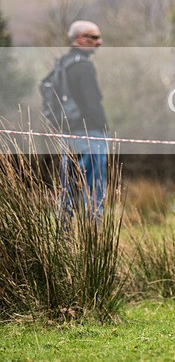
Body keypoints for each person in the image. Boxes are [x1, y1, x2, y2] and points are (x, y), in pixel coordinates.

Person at [59, 20, 109, 223]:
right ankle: (94, 240)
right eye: (94, 37)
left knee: (67, 188)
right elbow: (92, 102)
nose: (99, 42)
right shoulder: (83, 66)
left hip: (67, 133)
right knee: (94, 187)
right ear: (80, 39)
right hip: (89, 133)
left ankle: (63, 238)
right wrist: (100, 127)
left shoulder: (62, 64)